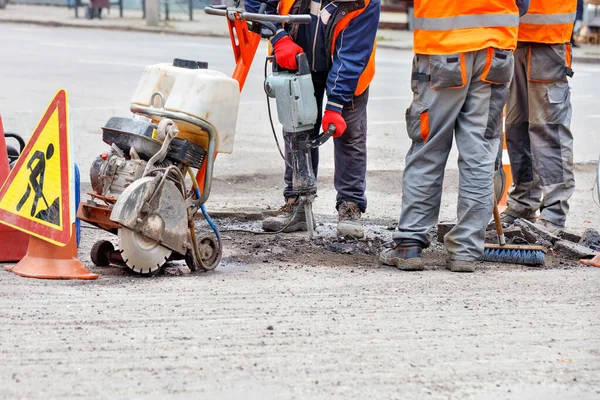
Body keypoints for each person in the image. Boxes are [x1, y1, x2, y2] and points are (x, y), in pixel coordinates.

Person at [380, 1, 529, 273]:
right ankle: (466, 251)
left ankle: (410, 244)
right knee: (480, 155)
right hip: (495, 50)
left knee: (429, 147)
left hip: (442, 48)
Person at [244, 0, 380, 238]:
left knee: (349, 134)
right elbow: (255, 3)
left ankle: (350, 206)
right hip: (294, 55)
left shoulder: (365, 2)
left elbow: (352, 55)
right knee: (297, 128)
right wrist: (278, 38)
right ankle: (296, 201)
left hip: (348, 66)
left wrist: (335, 105)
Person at [501, 0, 577, 235]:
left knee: (548, 130)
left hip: (548, 38)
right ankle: (523, 202)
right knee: (516, 127)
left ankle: (554, 213)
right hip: (511, 36)